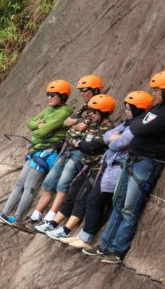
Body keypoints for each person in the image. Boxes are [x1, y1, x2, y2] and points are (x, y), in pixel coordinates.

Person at [83, 70, 165, 264]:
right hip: (132, 160)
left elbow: (138, 127)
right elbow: (136, 124)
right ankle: (104, 246)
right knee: (118, 204)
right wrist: (137, 127)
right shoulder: (157, 109)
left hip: (146, 163)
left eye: (156, 90)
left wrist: (136, 127)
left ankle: (117, 250)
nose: (153, 93)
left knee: (129, 207)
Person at [59, 91, 153, 247]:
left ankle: (87, 238)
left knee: (95, 200)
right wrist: (112, 138)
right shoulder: (127, 124)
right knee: (92, 200)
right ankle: (84, 235)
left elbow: (116, 143)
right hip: (110, 167)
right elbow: (108, 136)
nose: (126, 111)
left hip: (118, 169)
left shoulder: (137, 125)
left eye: (129, 109)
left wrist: (113, 139)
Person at [13, 75, 103, 232]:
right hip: (67, 148)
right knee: (49, 183)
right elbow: (67, 123)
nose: (82, 93)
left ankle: (49, 220)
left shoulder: (98, 109)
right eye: (80, 90)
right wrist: (76, 122)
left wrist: (75, 123)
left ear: (95, 89)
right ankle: (35, 216)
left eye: (85, 90)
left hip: (77, 152)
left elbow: (80, 127)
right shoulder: (82, 109)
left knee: (62, 186)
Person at [0, 80, 73, 224]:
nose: (48, 97)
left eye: (52, 94)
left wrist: (40, 128)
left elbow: (44, 132)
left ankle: (18, 217)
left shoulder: (63, 113)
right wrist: (39, 124)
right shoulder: (50, 109)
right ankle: (5, 213)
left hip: (46, 152)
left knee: (29, 186)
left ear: (62, 96)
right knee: (19, 183)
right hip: (37, 150)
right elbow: (30, 123)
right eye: (47, 94)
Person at [35, 94, 116, 239]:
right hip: (86, 164)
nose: (91, 114)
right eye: (91, 111)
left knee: (82, 198)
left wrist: (80, 144)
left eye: (95, 111)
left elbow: (91, 146)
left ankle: (66, 230)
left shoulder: (108, 127)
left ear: (103, 112)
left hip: (96, 167)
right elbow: (75, 136)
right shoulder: (93, 124)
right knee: (72, 194)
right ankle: (52, 224)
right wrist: (81, 143)